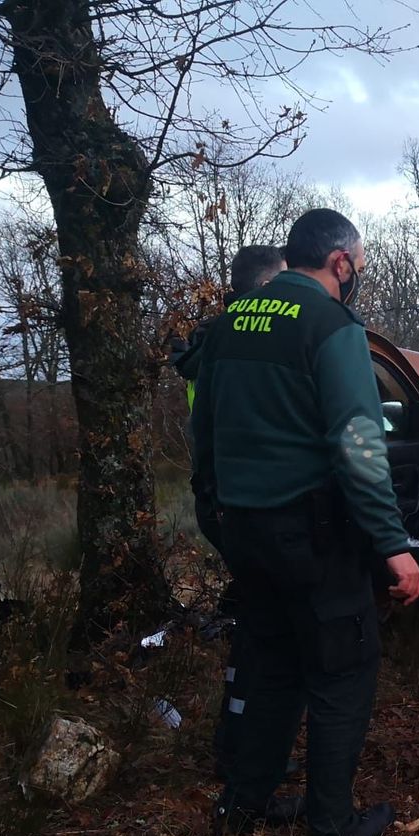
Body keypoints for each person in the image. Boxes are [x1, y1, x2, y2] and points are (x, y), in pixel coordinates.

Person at [191, 208, 419, 836]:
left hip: (244, 532)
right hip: (312, 537)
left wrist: (216, 517)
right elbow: (358, 443)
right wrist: (392, 544)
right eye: (360, 266)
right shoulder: (331, 324)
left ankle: (244, 804)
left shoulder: (229, 324)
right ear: (340, 263)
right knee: (342, 673)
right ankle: (330, 829)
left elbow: (202, 434)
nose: (358, 277)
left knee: (269, 669)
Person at [172, 244, 286, 779]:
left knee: (257, 617)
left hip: (217, 498)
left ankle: (240, 740)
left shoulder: (213, 340)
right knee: (268, 623)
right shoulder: (239, 342)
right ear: (263, 288)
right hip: (237, 501)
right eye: (285, 283)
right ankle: (244, 753)